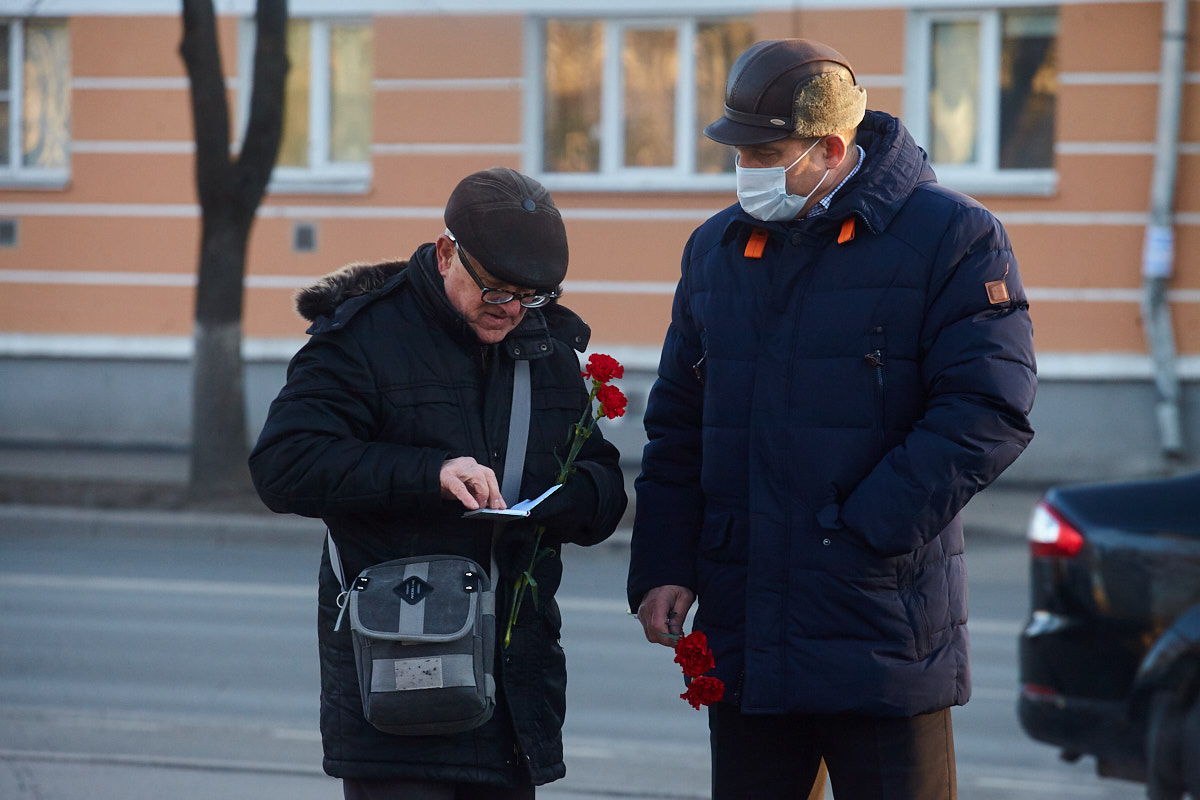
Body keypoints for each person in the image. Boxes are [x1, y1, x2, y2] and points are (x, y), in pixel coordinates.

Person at [627, 38, 1036, 800]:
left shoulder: (951, 237)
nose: (747, 169)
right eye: (739, 151)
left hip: (882, 630)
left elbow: (988, 408)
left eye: (767, 151)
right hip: (749, 634)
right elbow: (679, 422)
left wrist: (864, 532)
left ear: (832, 147)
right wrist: (663, 566)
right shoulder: (715, 250)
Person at [249, 167, 628, 799]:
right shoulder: (363, 337)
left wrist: (551, 504)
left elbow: (603, 484)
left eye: (531, 295)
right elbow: (284, 465)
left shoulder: (547, 347)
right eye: (497, 288)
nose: (511, 309)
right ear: (448, 251)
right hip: (398, 691)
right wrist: (430, 474)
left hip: (512, 699)